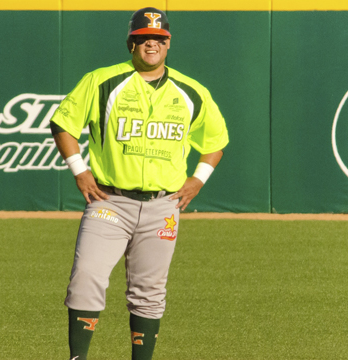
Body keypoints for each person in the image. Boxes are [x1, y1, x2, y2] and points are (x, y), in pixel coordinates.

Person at [49, 7, 229, 360]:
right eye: (144, 38)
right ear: (131, 42)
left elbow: (215, 142)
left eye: (158, 39)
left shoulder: (191, 91)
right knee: (86, 276)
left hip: (163, 205)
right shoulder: (102, 81)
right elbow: (63, 124)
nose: (151, 44)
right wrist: (79, 169)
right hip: (109, 200)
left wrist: (197, 179)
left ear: (168, 43)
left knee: (149, 290)